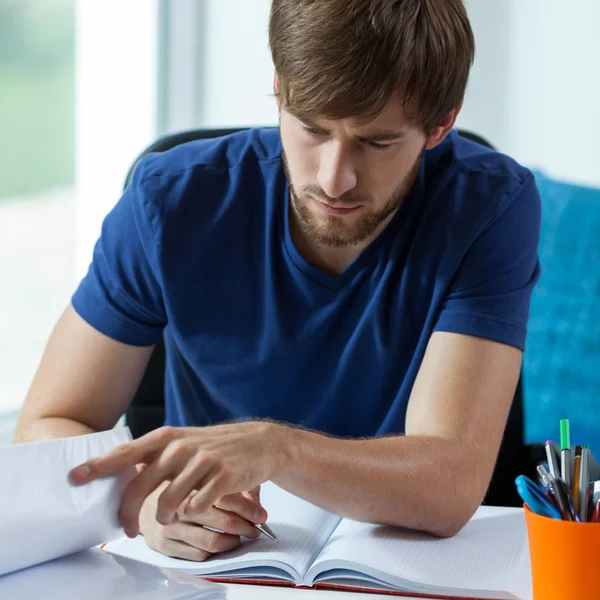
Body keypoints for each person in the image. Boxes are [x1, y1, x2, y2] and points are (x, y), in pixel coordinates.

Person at [13, 0, 540, 562]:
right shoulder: (168, 199)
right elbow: (46, 427)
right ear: (279, 87)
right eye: (312, 128)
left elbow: (450, 483)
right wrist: (146, 502)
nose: (334, 179)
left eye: (376, 142)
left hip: (410, 568)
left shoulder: (490, 206)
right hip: (210, 572)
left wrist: (277, 450)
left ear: (441, 125)